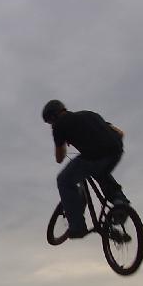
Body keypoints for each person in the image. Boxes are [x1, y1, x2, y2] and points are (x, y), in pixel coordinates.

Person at [42, 99, 129, 238]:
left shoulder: (59, 125)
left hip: (93, 156)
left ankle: (77, 226)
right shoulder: (90, 114)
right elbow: (120, 133)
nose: (51, 125)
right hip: (116, 151)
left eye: (49, 122)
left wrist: (63, 142)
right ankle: (120, 203)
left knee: (63, 180)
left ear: (53, 116)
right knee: (100, 171)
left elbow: (59, 158)